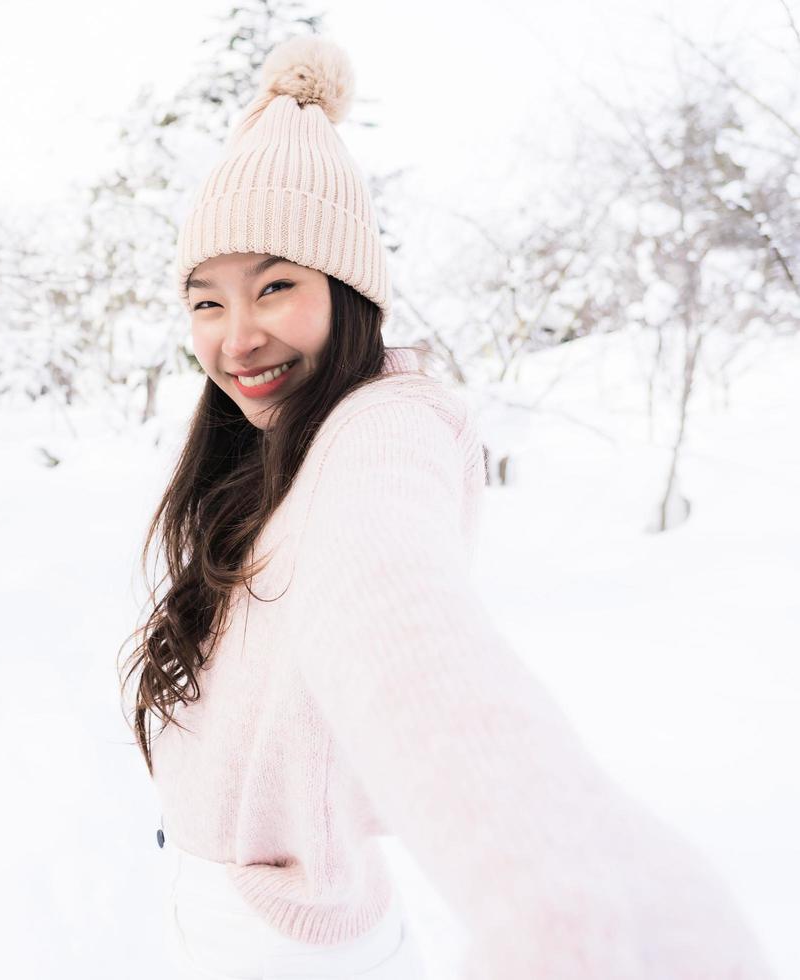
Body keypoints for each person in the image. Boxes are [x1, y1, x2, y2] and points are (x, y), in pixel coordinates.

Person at [119, 34, 776, 980]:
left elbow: (396, 613)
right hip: (219, 915)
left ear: (347, 295)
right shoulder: (263, 452)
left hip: (284, 949)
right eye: (206, 302)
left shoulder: (388, 428)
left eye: (274, 286)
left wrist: (568, 884)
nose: (238, 337)